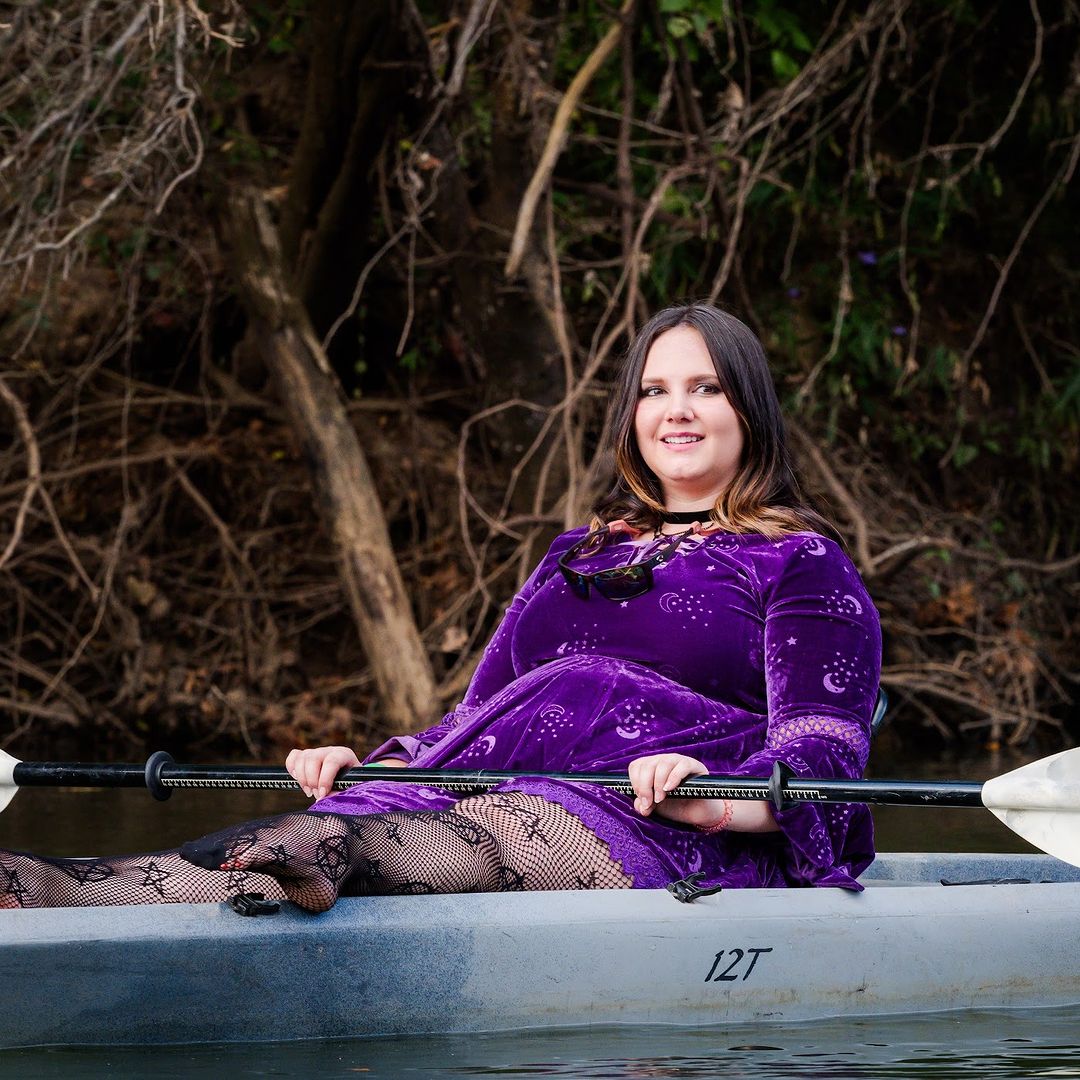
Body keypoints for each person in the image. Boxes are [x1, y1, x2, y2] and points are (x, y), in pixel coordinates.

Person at [1, 303, 880, 912]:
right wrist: (373, 766)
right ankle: (59, 888)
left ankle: (311, 860)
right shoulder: (577, 555)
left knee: (459, 836)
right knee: (343, 825)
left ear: (749, 410)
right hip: (486, 797)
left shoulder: (799, 563)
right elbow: (479, 721)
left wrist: (717, 802)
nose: (676, 411)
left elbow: (826, 764)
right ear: (630, 414)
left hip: (666, 835)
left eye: (706, 388)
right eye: (655, 390)